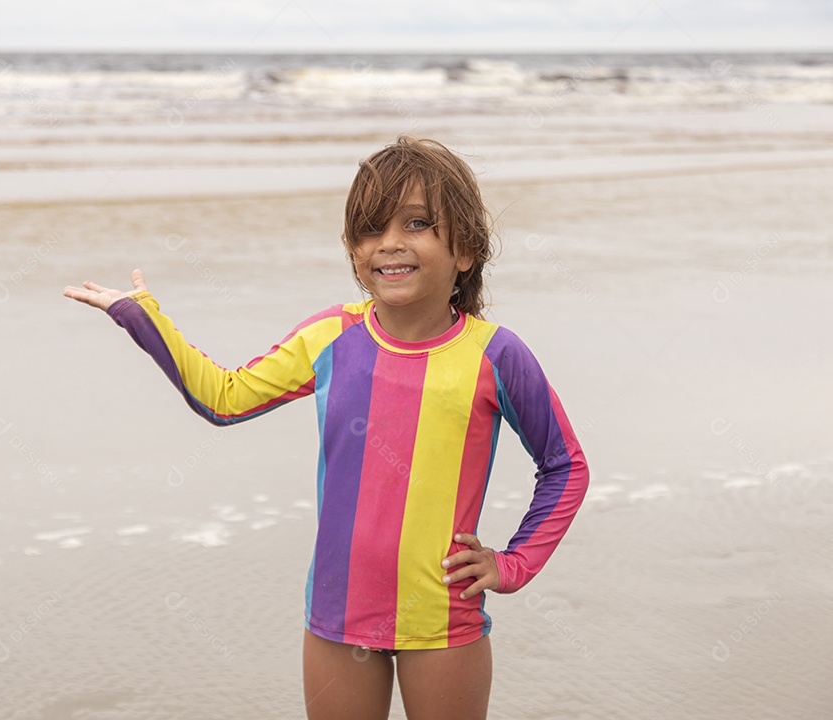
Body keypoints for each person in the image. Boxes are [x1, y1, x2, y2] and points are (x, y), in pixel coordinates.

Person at [63, 136, 589, 720]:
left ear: (465, 248)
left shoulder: (495, 355)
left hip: (443, 617)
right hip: (338, 615)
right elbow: (224, 398)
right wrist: (143, 318)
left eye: (416, 223)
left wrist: (512, 564)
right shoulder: (331, 337)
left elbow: (564, 465)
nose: (389, 242)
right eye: (369, 229)